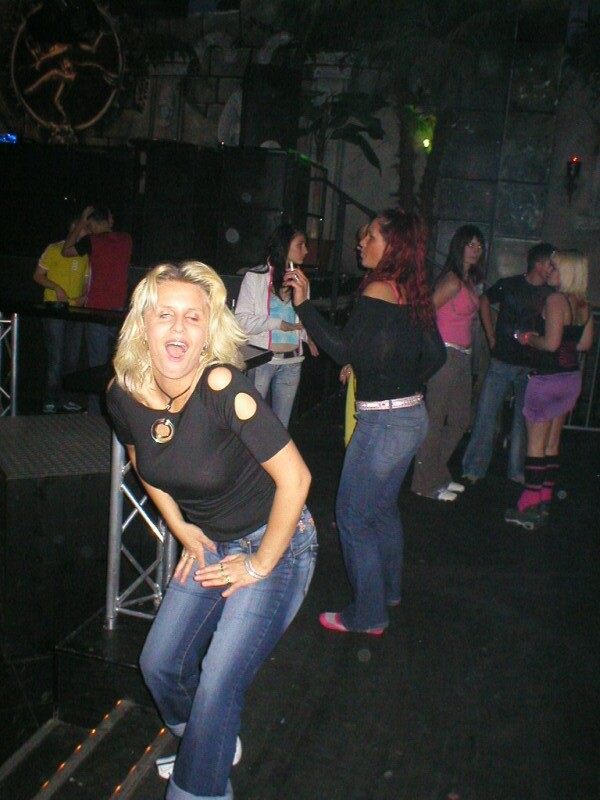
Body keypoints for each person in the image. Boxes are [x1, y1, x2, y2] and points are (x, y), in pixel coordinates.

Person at [107, 261, 317, 800]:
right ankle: (208, 738)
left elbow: (296, 479)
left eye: (193, 317)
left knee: (219, 679)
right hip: (211, 541)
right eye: (165, 315)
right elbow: (142, 459)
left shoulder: (222, 387)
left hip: (277, 541)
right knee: (159, 665)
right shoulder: (123, 392)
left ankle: (200, 779)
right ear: (142, 324)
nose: (178, 327)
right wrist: (180, 525)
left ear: (209, 332)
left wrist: (260, 564)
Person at [285, 208, 446, 634]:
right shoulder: (411, 290)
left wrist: (304, 306)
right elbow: (435, 356)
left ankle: (369, 614)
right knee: (381, 509)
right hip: (410, 416)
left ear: (393, 246)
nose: (361, 242)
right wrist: (397, 382)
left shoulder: (378, 289)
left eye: (370, 236)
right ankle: (388, 591)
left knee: (353, 517)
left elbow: (342, 348)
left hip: (384, 425)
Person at [505, 250, 593, 529]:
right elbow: (584, 344)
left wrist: (527, 338)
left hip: (547, 379)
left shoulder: (556, 300)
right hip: (570, 378)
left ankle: (528, 504)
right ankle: (544, 498)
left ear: (566, 272)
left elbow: (551, 344)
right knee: (552, 443)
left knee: (535, 445)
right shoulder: (583, 304)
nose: (549, 271)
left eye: (554, 267)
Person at [461, 242, 555, 484]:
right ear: (539, 263)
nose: (553, 268)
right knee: (485, 415)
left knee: (522, 421)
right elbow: (484, 300)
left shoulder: (550, 293)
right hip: (502, 359)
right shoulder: (510, 284)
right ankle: (474, 468)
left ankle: (516, 471)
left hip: (530, 363)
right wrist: (490, 335)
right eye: (550, 264)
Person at [411, 225, 485, 500]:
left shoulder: (467, 280)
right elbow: (424, 314)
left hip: (462, 357)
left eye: (479, 245)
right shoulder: (452, 280)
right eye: (470, 244)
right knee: (435, 420)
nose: (475, 250)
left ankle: (436, 474)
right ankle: (423, 484)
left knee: (460, 420)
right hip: (446, 355)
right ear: (459, 246)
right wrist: (428, 351)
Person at [235, 223, 318, 428]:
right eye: (300, 245)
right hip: (264, 359)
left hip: (293, 360)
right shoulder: (256, 277)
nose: (306, 251)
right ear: (284, 245)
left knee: (281, 426)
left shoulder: (301, 281)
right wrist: (279, 324)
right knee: (253, 423)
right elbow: (241, 321)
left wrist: (308, 336)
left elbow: (302, 319)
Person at [63, 204, 133, 414]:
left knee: (97, 365)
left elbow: (66, 250)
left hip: (96, 309)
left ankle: (95, 414)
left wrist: (81, 222)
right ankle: (117, 413)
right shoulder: (126, 239)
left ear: (91, 222)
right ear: (109, 218)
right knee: (117, 366)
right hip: (119, 311)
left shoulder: (92, 241)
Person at [33, 218, 90, 413]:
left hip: (76, 310)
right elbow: (38, 275)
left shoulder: (84, 253)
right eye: (82, 228)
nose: (86, 231)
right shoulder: (54, 248)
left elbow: (86, 279)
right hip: (54, 307)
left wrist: (85, 295)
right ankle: (50, 399)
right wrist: (56, 288)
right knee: (55, 357)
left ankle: (65, 398)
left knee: (72, 358)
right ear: (73, 229)